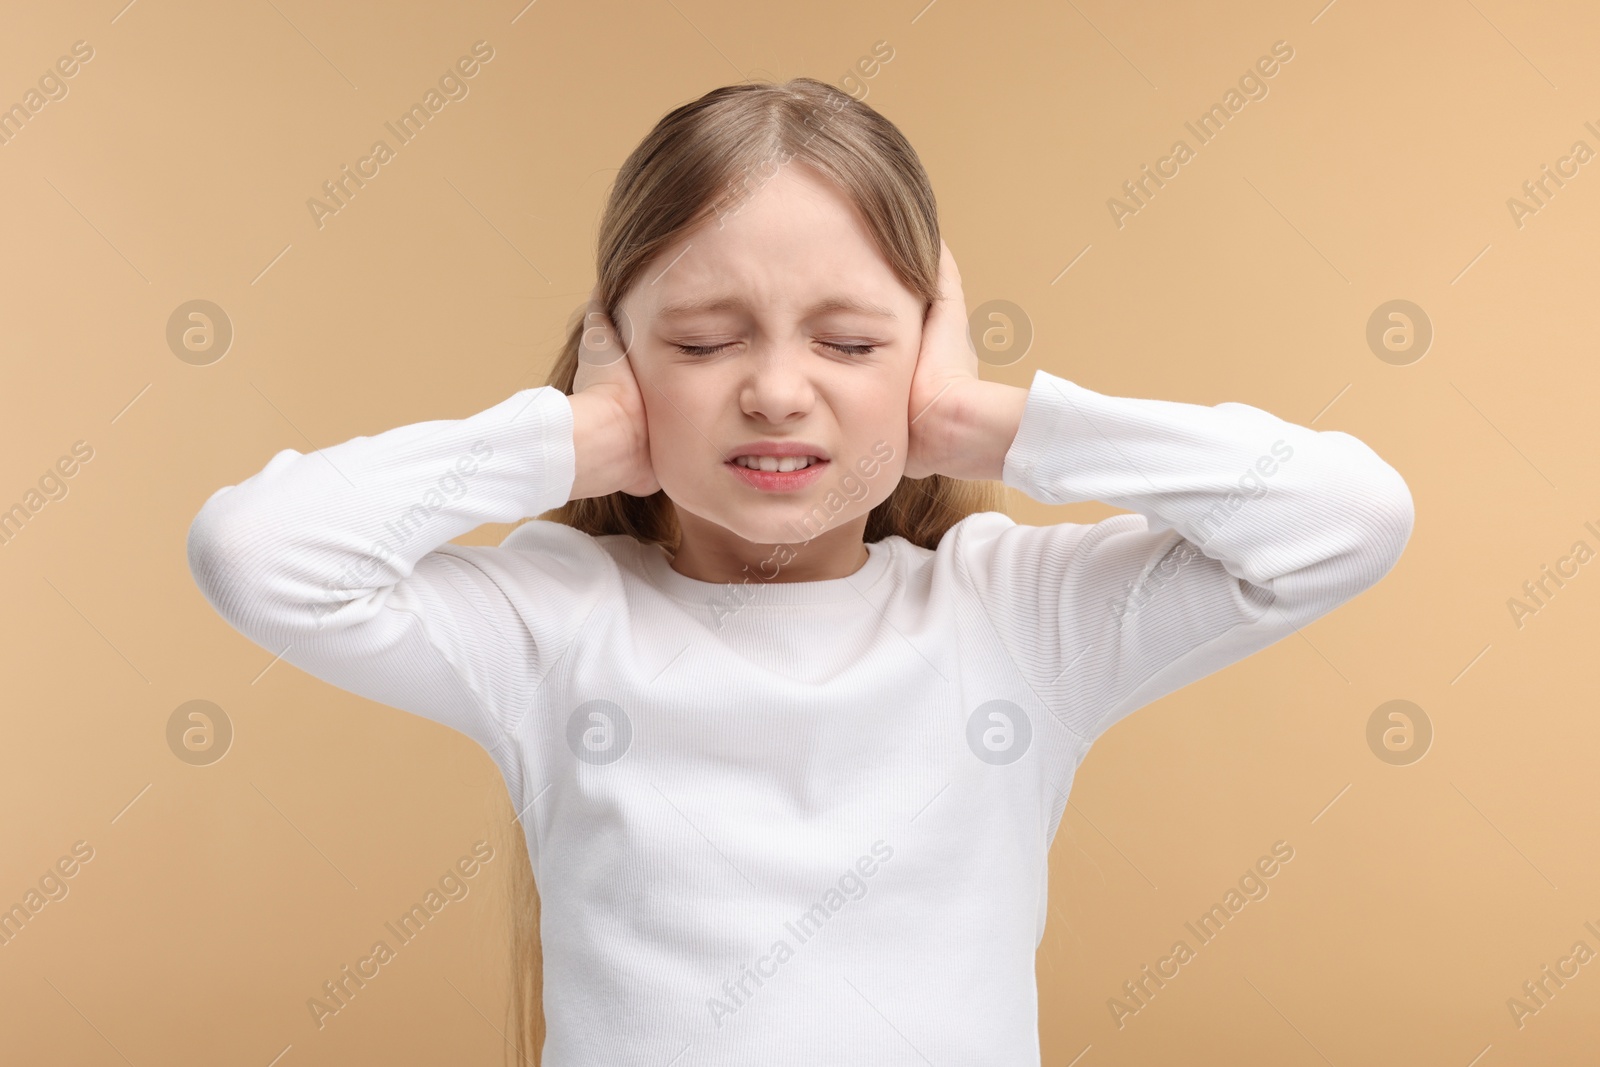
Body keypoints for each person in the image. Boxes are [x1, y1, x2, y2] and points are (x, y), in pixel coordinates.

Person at [185, 77, 1414, 1066]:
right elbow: (261, 555)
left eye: (849, 340)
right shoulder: (558, 618)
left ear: (925, 359)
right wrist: (577, 435)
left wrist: (987, 422)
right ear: (623, 358)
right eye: (706, 341)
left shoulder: (1013, 617)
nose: (776, 387)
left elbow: (1343, 516)